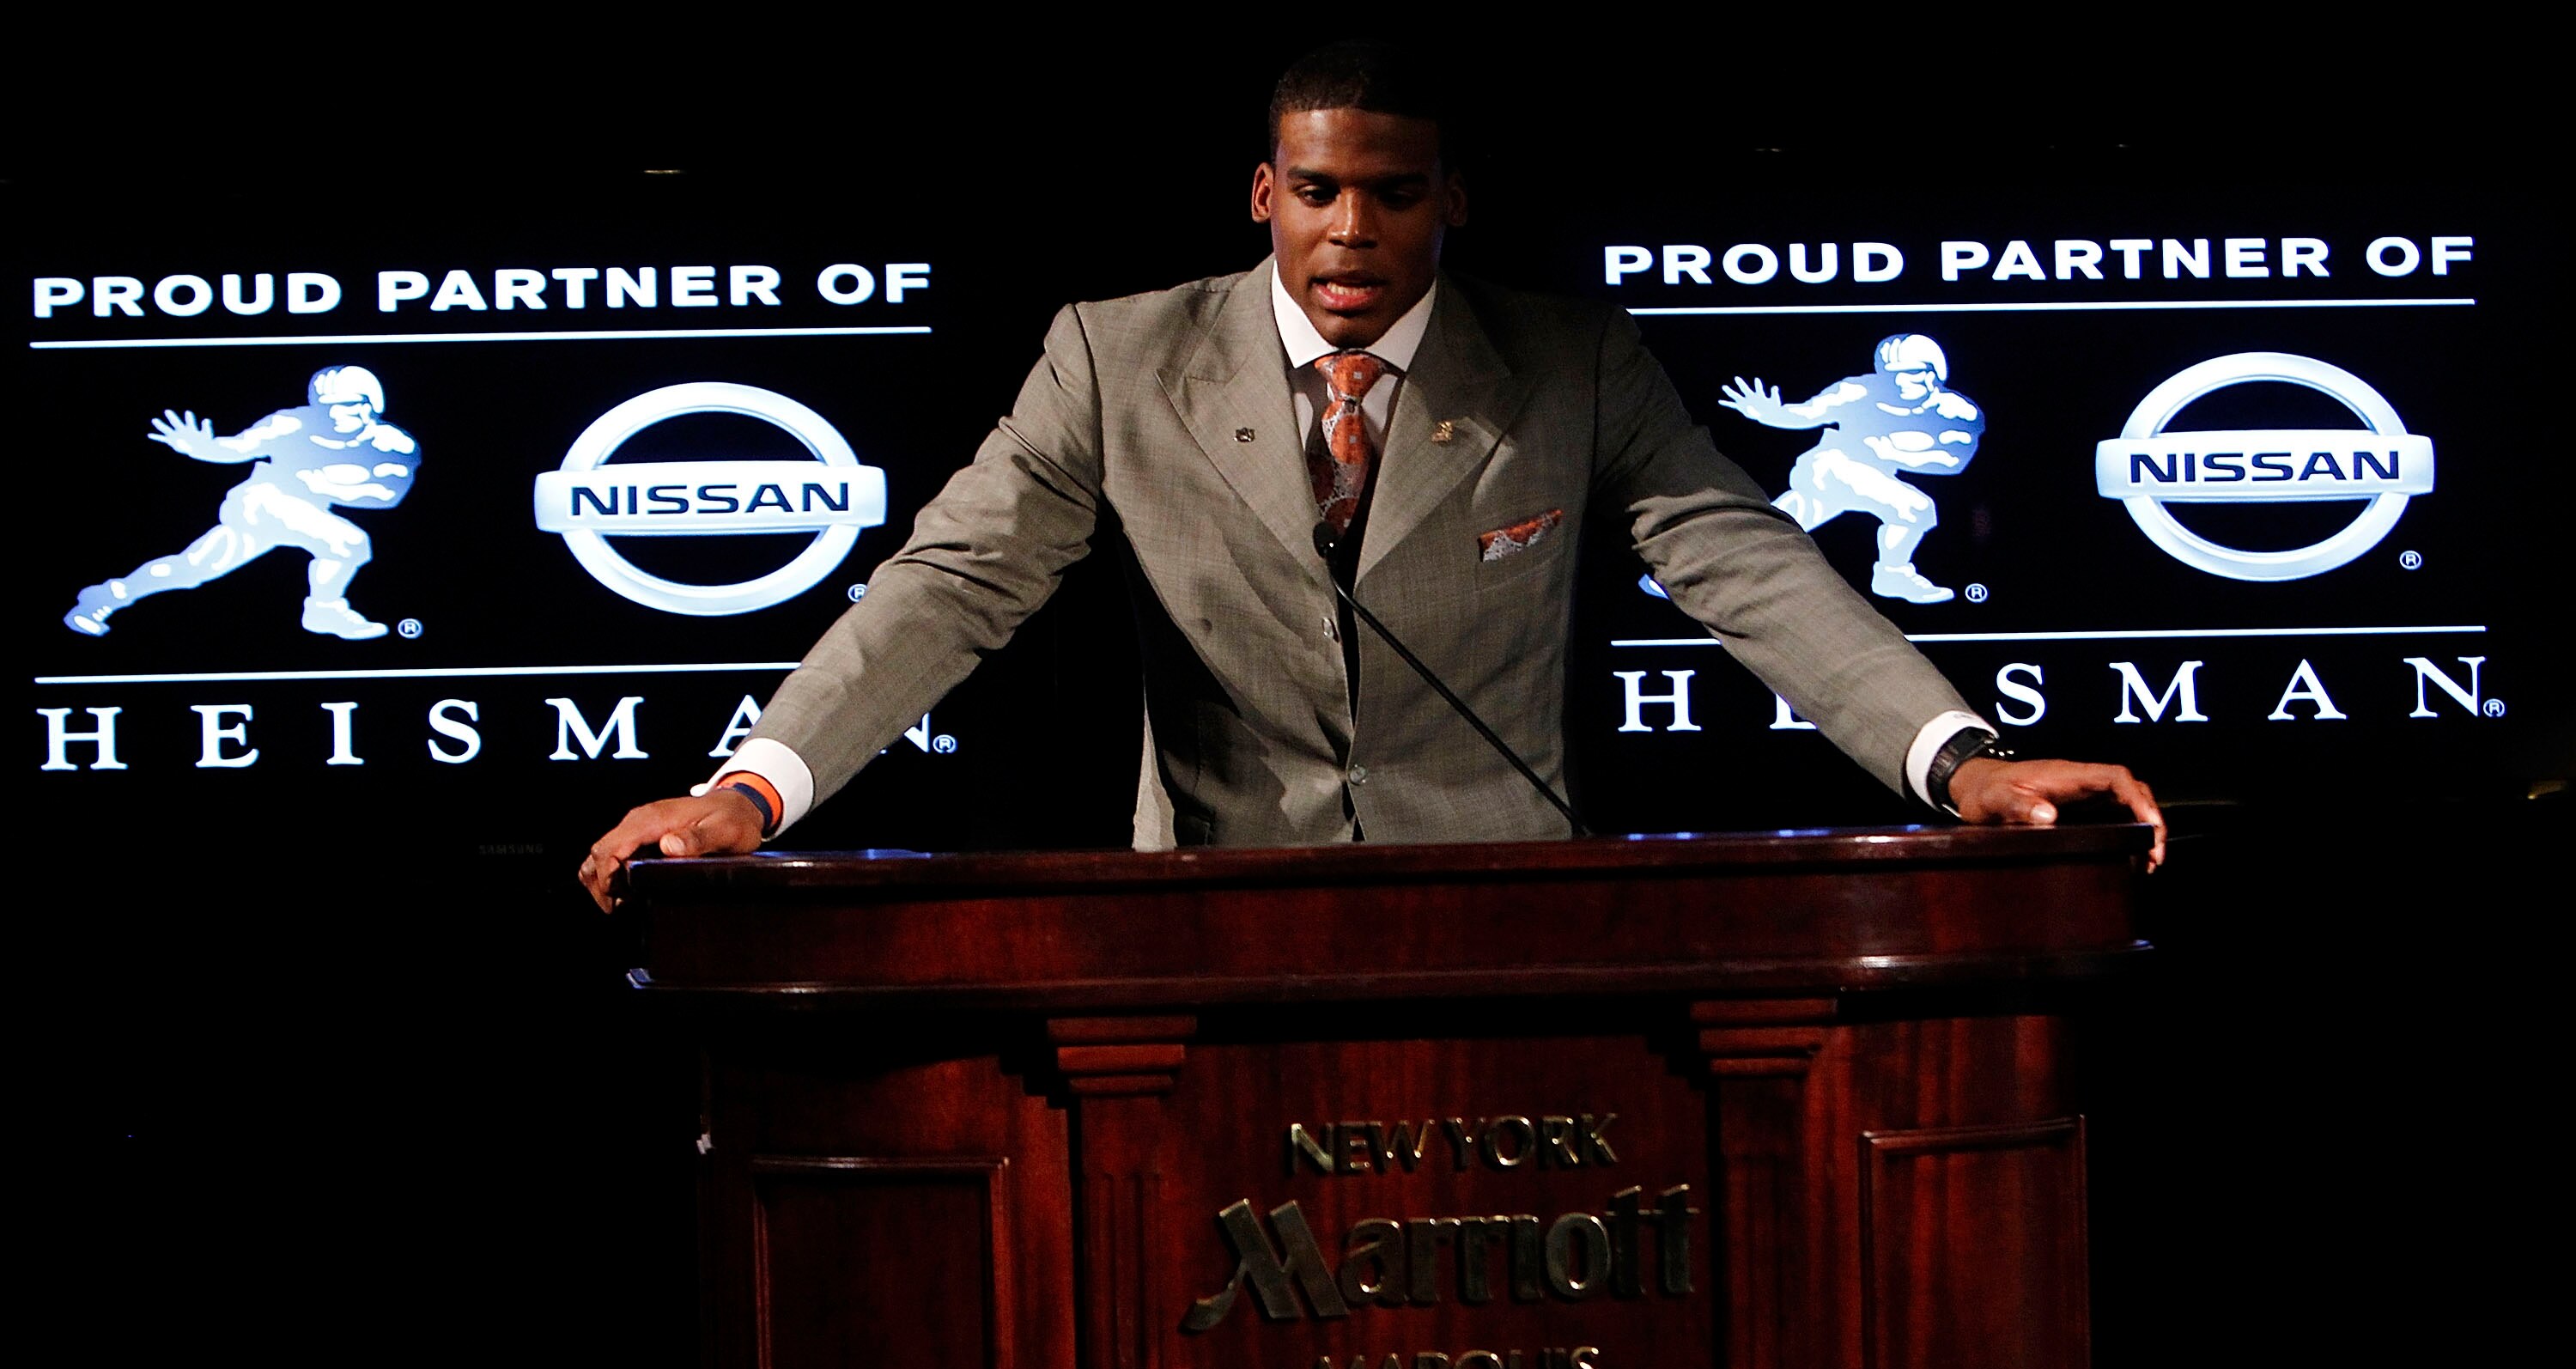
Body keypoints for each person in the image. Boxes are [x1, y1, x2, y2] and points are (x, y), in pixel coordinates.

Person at [580, 43, 2161, 912]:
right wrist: (747, 794)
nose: (1353, 233)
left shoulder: (1573, 363)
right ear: (1264, 189)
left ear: (1450, 198)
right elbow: (949, 584)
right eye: (1319, 190)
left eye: (1393, 195)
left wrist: (1962, 764)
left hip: (1504, 920)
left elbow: (1750, 567)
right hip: (1204, 923)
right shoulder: (1113, 358)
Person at [64, 364, 417, 640]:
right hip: (261, 502)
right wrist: (205, 449)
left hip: (304, 511)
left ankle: (105, 597)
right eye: (329, 407)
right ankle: (324, 609)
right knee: (349, 542)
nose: (339, 415)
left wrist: (328, 484)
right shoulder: (291, 424)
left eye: (350, 406)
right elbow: (238, 447)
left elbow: (388, 495)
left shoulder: (393, 445)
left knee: (190, 569)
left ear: (372, 404)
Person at [1719, 333, 1980, 604]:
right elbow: (1808, 413)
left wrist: (1895, 453)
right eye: (1892, 374)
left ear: (1933, 373)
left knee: (1780, 525)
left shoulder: (1956, 412)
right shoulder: (1857, 391)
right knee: (1915, 508)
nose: (1900, 382)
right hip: (1831, 467)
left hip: (1875, 476)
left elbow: (1953, 461)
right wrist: (1770, 414)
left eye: (1911, 373)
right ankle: (1892, 575)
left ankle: (1712, 565)